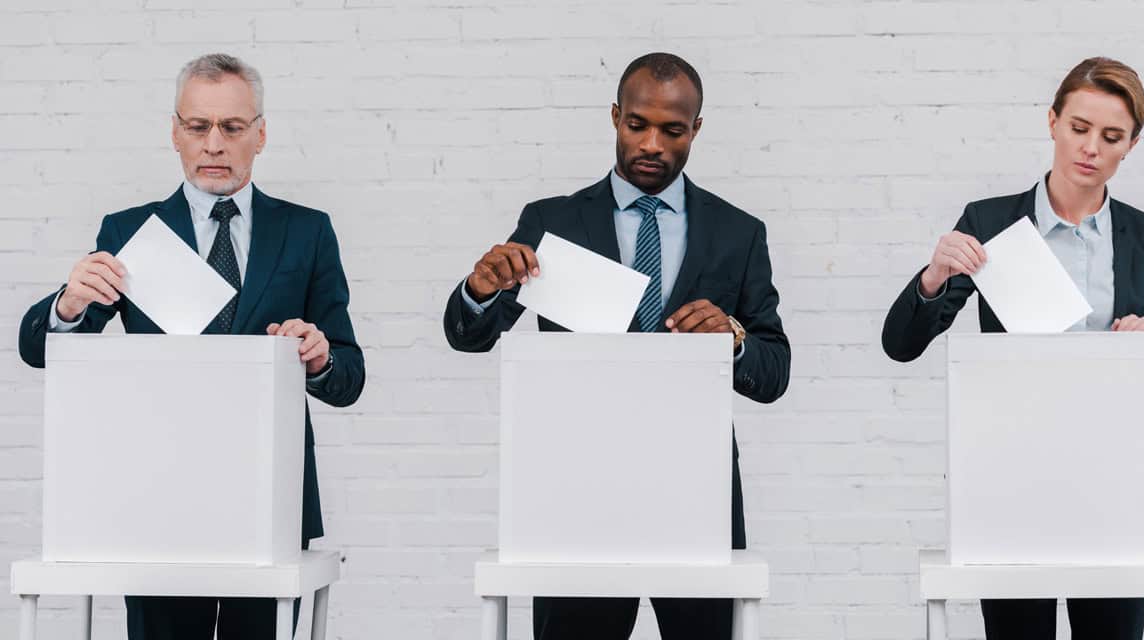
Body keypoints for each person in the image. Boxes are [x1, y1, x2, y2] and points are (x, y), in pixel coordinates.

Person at [17, 53, 365, 640]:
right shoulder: (128, 232)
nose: (214, 144)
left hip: (271, 496)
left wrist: (320, 355)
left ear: (260, 134)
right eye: (198, 126)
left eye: (232, 127)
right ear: (174, 133)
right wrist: (69, 304)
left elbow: (349, 377)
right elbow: (37, 350)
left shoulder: (307, 231)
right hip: (158, 492)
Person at [443, 52, 790, 639]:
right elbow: (468, 336)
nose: (652, 143)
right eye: (638, 125)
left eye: (673, 130)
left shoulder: (739, 232)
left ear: (697, 129)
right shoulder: (551, 221)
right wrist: (480, 288)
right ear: (615, 117)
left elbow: (773, 370)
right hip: (578, 487)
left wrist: (731, 339)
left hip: (697, 491)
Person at [882, 56, 1144, 639]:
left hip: (1114, 484)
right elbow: (901, 344)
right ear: (1051, 122)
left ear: (1132, 145)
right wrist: (933, 277)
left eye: (1111, 136)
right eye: (1079, 127)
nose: (1091, 148)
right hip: (1011, 480)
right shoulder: (991, 222)